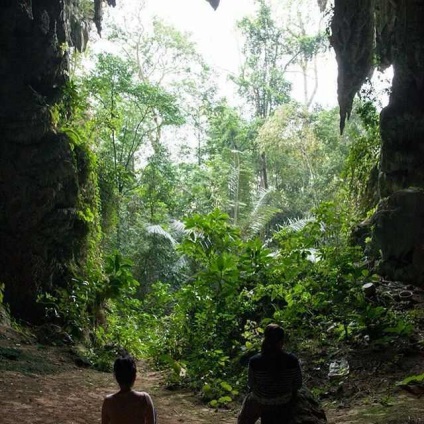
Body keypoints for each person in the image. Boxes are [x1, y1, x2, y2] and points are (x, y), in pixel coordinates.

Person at [238, 323, 302, 424]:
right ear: (282, 341)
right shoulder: (292, 360)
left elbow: (251, 384)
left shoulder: (255, 361)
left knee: (243, 419)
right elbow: (298, 384)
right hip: (284, 400)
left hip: (261, 400)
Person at [102, 355, 156, 424]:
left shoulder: (108, 401)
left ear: (116, 377)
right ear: (134, 377)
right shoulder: (144, 398)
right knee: (154, 412)